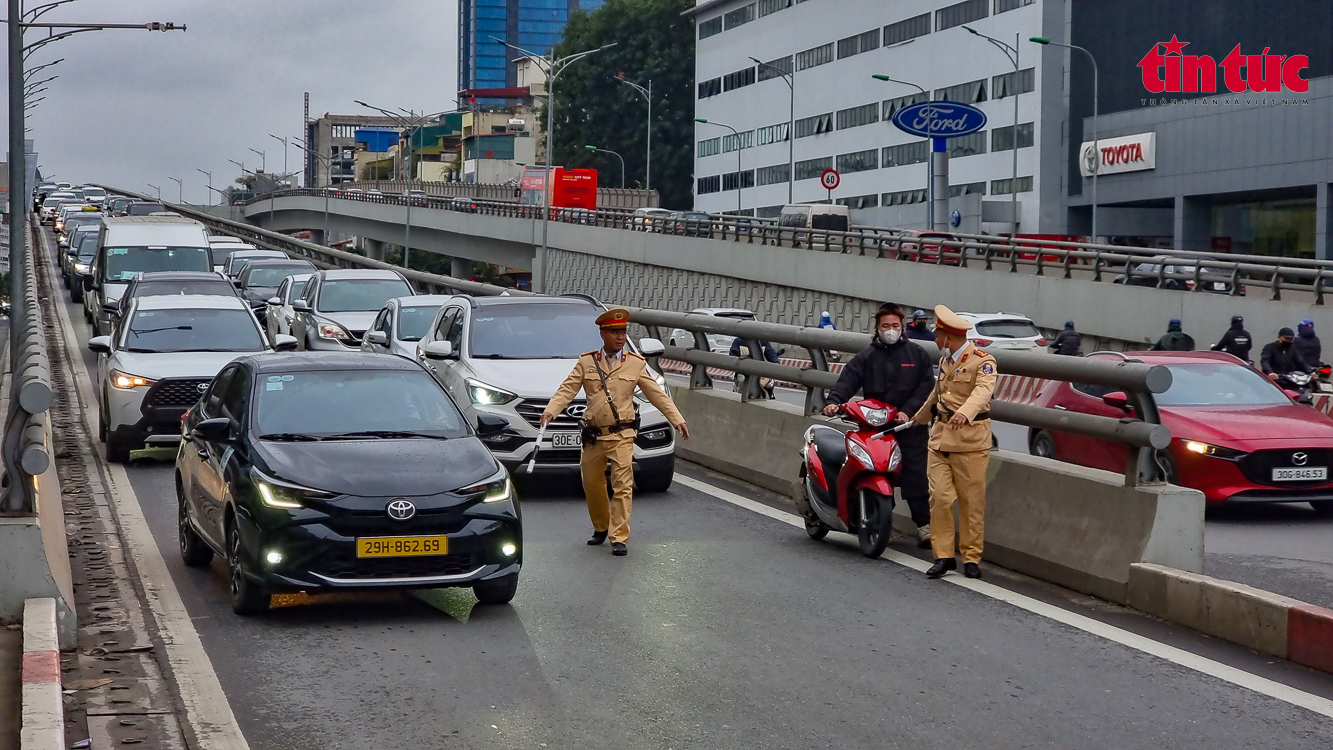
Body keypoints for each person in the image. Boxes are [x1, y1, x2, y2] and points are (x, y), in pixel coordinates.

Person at [542, 308, 689, 556]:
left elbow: (656, 394)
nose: (620, 337)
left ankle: (619, 536)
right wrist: (550, 411)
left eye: (623, 332)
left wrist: (677, 419)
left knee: (623, 484)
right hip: (593, 435)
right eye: (614, 332)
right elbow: (566, 389)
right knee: (591, 483)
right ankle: (601, 526)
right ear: (602, 334)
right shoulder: (587, 362)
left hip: (622, 434)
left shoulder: (635, 363)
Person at [822, 303, 934, 547]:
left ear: (902, 327)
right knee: (875, 469)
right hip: (876, 429)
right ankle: (880, 518)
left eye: (895, 325)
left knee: (916, 475)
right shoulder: (867, 357)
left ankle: (924, 525)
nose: (891, 330)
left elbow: (926, 387)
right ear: (877, 328)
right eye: (886, 326)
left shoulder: (917, 355)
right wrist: (834, 401)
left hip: (909, 427)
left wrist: (907, 412)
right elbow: (848, 380)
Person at [910, 305, 997, 580]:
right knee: (940, 499)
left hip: (970, 442)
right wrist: (919, 418)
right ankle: (944, 556)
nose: (935, 340)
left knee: (972, 503)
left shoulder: (983, 360)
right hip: (940, 440)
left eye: (938, 334)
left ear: (949, 336)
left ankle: (971, 557)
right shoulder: (946, 361)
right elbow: (938, 396)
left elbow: (983, 392)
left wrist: (965, 413)